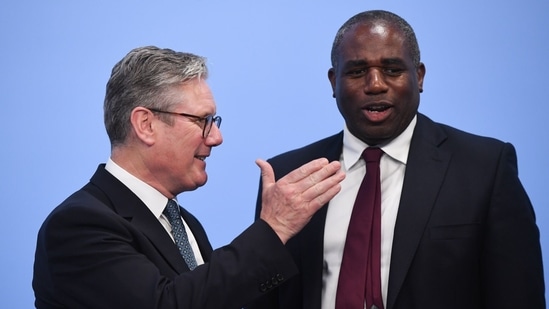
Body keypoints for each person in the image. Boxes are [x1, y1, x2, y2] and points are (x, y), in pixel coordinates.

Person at [247, 10, 545, 309]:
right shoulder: (287, 177)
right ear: (333, 81)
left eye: (392, 70)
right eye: (356, 71)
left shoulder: (485, 169)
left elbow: (519, 298)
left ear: (419, 76)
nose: (375, 84)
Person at [32, 46, 346, 309]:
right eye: (202, 120)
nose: (217, 137)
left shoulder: (185, 224)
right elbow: (167, 304)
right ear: (146, 125)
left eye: (214, 121)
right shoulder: (79, 225)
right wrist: (274, 229)